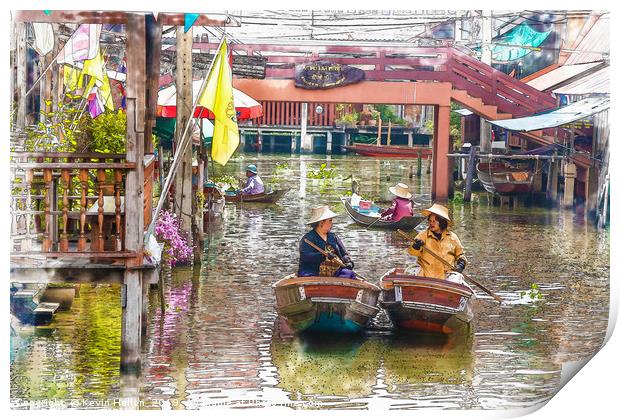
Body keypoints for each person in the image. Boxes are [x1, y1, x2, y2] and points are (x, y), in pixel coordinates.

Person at [407, 203, 467, 281]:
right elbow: (412, 252)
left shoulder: (452, 237)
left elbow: (460, 254)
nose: (431, 223)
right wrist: (416, 246)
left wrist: (461, 265)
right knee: (410, 272)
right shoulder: (423, 235)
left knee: (456, 278)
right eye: (430, 221)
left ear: (442, 222)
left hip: (446, 275)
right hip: (425, 273)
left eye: (434, 221)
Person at [298, 206, 356, 279]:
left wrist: (348, 261)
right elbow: (305, 256)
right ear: (321, 223)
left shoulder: (333, 237)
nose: (332, 223)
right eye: (330, 221)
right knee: (308, 278)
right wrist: (323, 255)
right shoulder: (308, 239)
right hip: (313, 271)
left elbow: (343, 254)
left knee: (349, 274)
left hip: (335, 272)